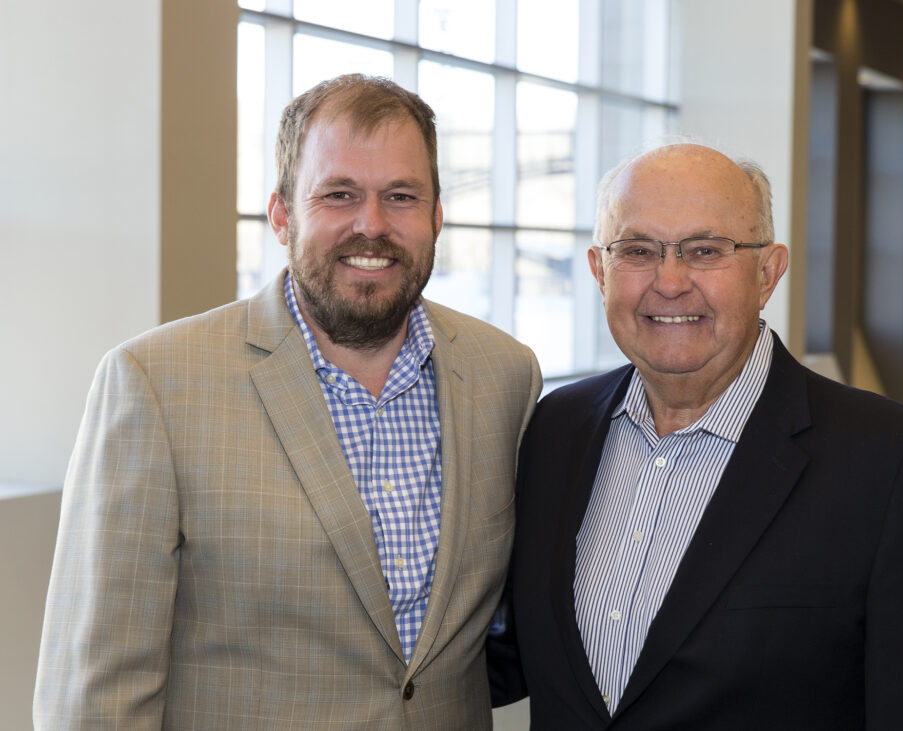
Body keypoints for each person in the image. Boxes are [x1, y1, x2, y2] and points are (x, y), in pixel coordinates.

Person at [35, 74, 541, 729]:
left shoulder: (506, 377)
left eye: (401, 196)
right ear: (281, 214)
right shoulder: (154, 385)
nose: (372, 224)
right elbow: (94, 695)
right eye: (339, 194)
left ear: (437, 215)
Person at [488, 142, 903, 729]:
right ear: (600, 271)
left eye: (706, 251)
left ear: (768, 272)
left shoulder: (895, 465)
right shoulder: (555, 429)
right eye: (637, 250)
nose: (670, 281)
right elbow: (508, 654)